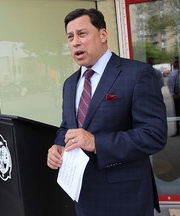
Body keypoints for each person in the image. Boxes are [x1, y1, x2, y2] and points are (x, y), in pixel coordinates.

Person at [47, 8, 167, 216]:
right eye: (70, 36)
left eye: (82, 34)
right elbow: (67, 127)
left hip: (126, 198)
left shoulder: (137, 74)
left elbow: (154, 135)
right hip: (83, 196)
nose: (75, 42)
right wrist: (58, 146)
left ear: (103, 35)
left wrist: (97, 142)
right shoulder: (70, 84)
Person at [168, 56, 180, 137]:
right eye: (175, 62)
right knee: (177, 113)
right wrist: (173, 94)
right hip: (176, 96)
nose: (176, 64)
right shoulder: (174, 73)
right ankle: (178, 130)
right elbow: (171, 84)